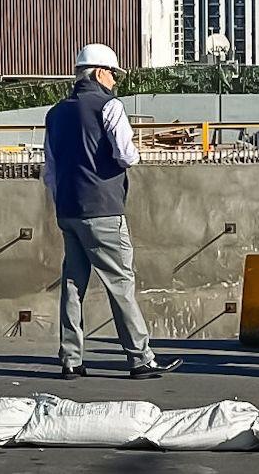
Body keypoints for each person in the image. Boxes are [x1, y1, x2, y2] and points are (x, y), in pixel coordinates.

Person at [44, 44, 181, 380]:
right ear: (101, 72)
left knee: (73, 284)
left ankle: (71, 359)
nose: (116, 82)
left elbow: (48, 169)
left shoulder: (55, 112)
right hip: (103, 208)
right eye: (114, 75)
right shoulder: (109, 106)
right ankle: (140, 358)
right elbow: (126, 155)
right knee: (120, 281)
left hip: (68, 209)